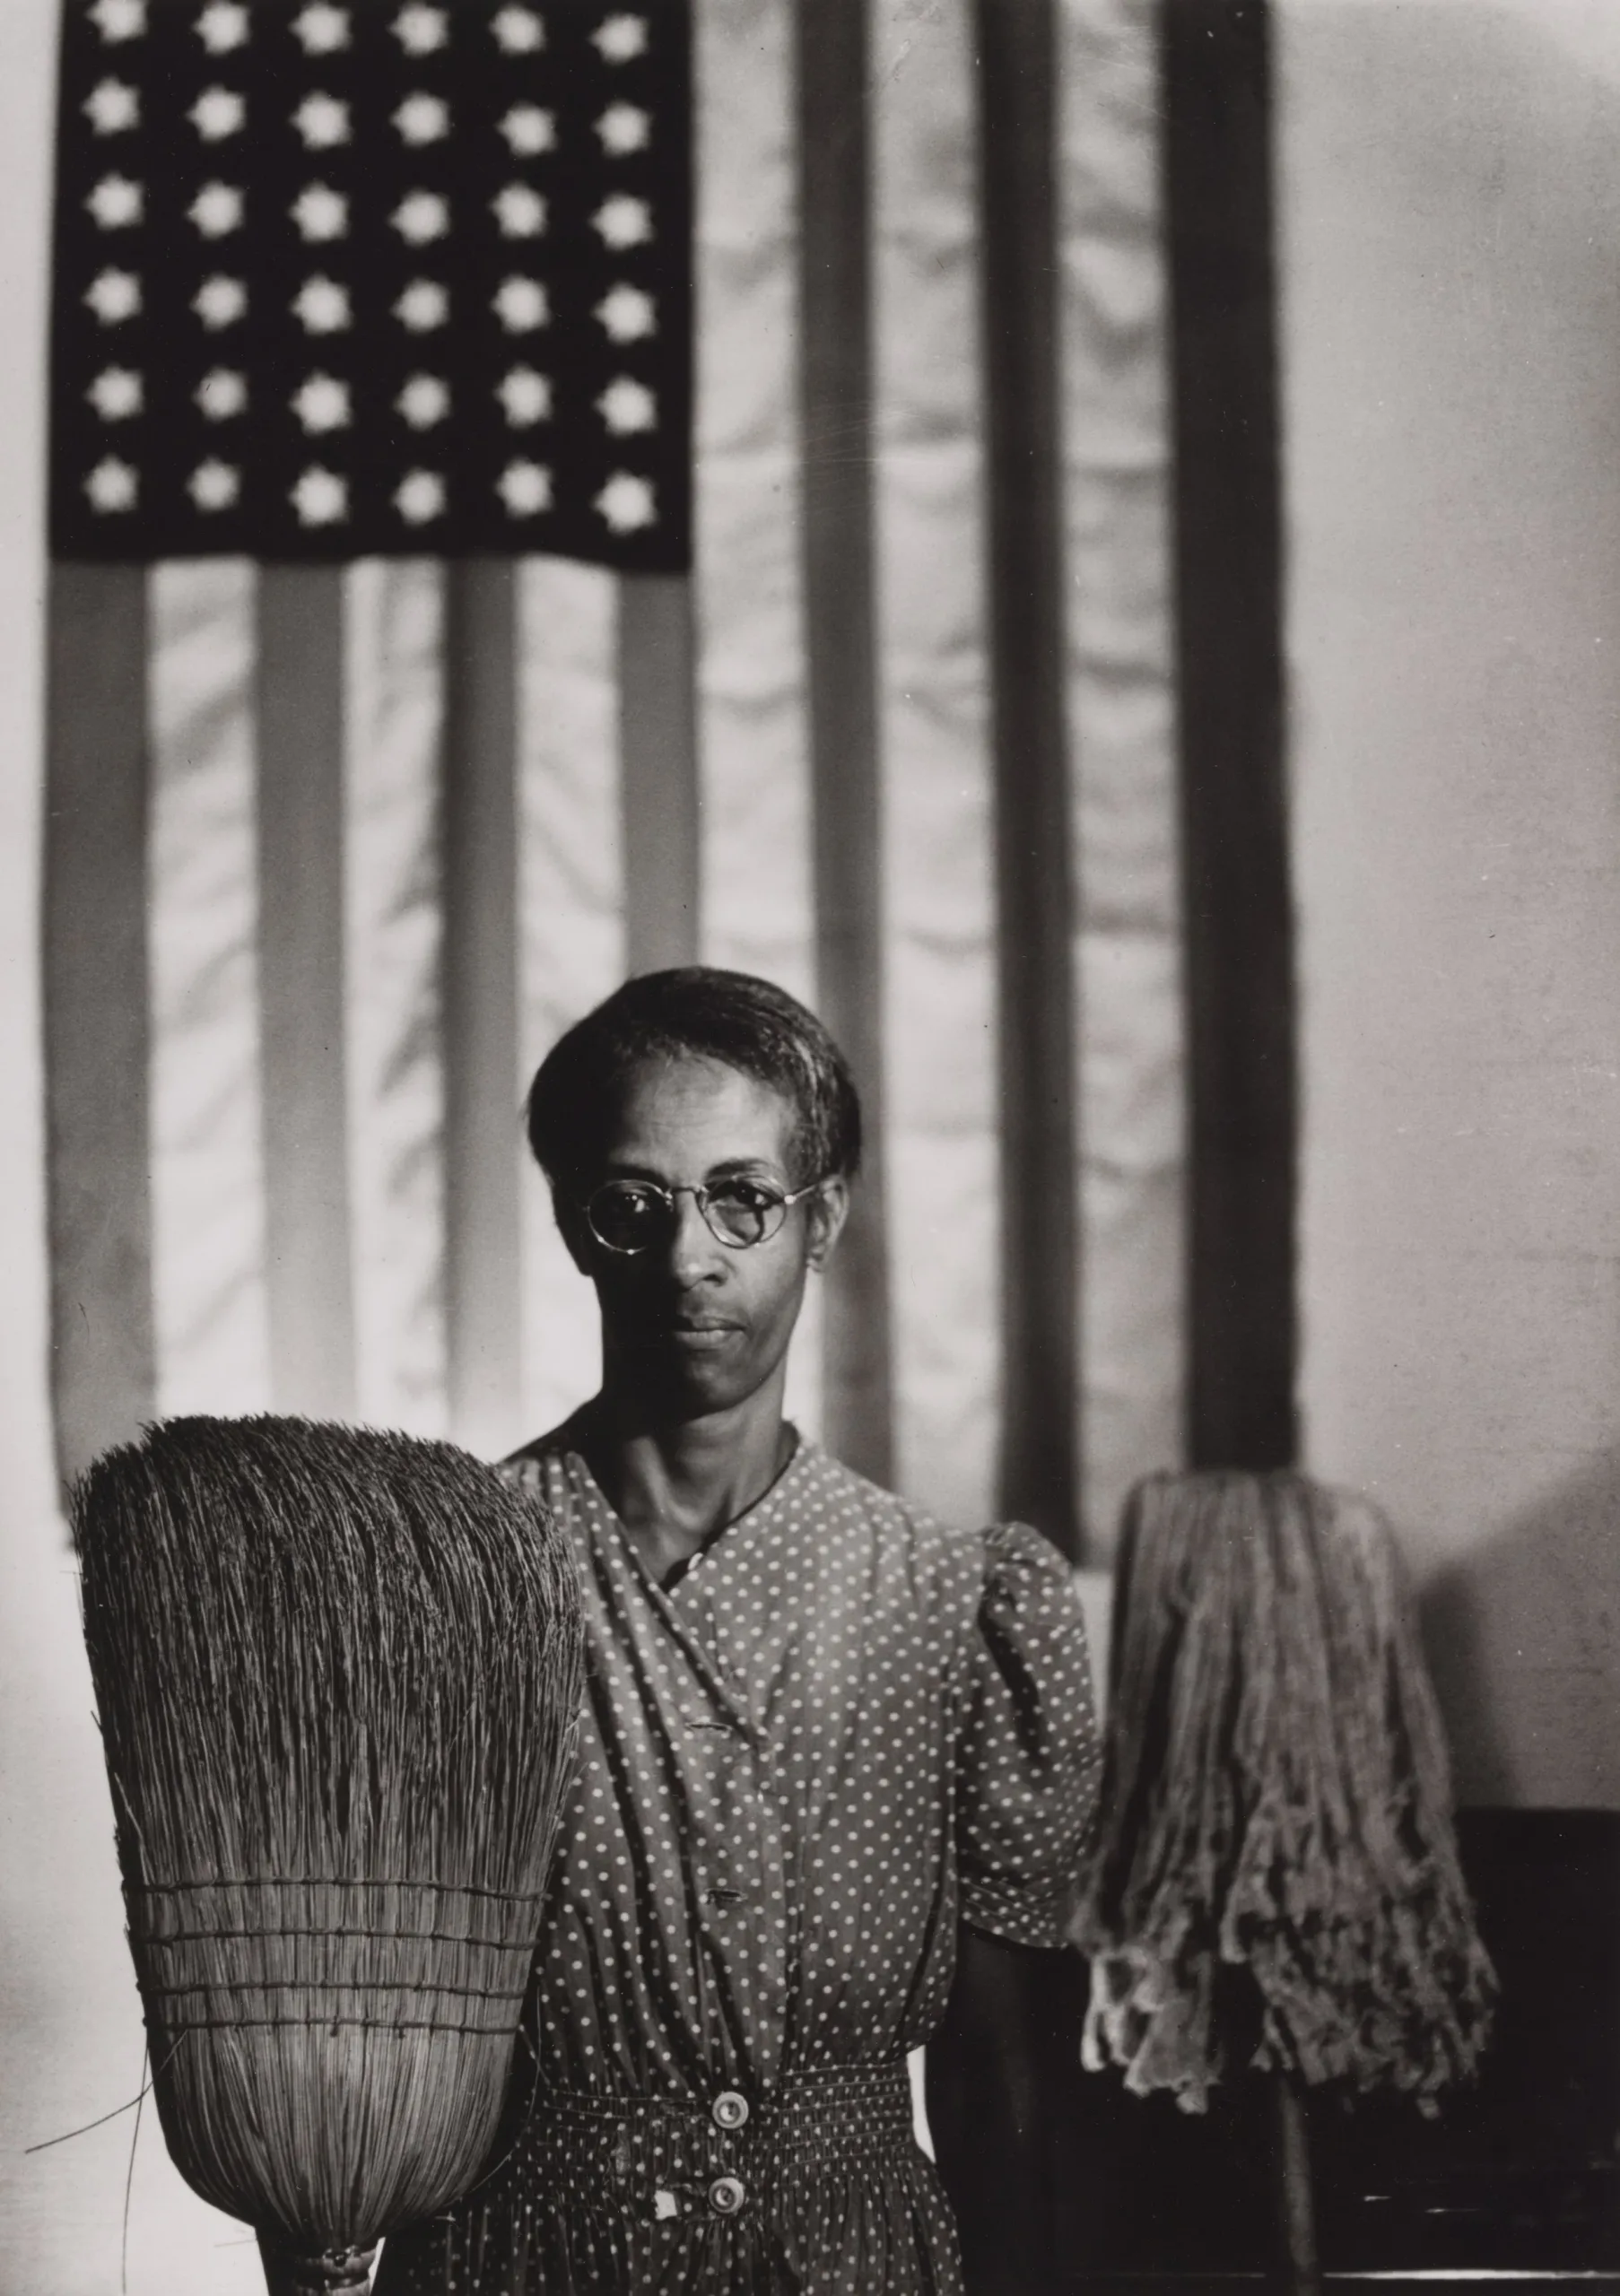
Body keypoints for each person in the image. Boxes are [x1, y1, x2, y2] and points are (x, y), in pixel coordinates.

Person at [374, 967, 1100, 2296]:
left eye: (740, 1199)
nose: (687, 1254)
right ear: (573, 1223)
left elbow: (1004, 2086)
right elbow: (366, 2055)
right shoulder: (446, 1581)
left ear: (820, 1218)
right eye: (633, 1203)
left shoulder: (951, 1604)